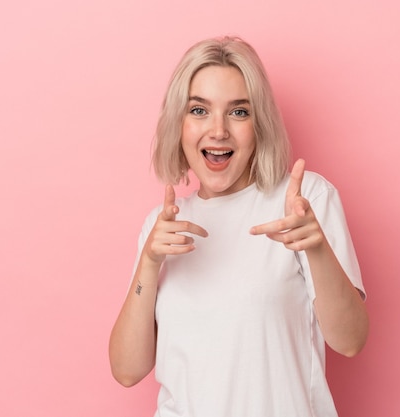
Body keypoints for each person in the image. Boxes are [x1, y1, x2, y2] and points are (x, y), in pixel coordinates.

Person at [109, 36, 369, 417]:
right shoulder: (163, 224)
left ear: (259, 124)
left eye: (238, 112)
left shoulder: (302, 201)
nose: (218, 131)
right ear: (178, 125)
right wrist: (149, 261)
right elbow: (127, 370)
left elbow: (350, 341)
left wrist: (317, 249)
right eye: (199, 110)